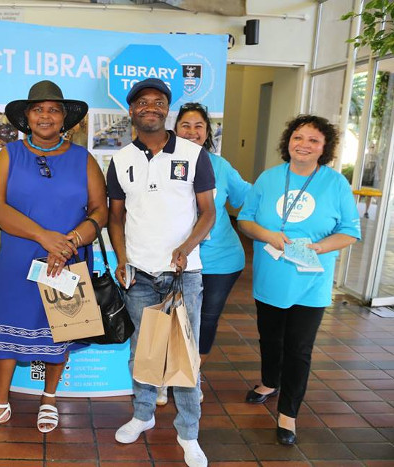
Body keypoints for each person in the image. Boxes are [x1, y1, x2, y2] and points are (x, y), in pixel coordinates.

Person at [0, 80, 107, 436]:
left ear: (64, 118)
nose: (46, 115)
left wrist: (69, 241)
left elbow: (100, 211)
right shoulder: (10, 154)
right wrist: (45, 238)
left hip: (68, 261)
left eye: (53, 110)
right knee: (5, 332)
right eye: (38, 109)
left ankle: (49, 398)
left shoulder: (83, 158)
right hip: (18, 259)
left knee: (63, 328)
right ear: (27, 116)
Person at [107, 78, 215, 467]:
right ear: (132, 110)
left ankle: (189, 433)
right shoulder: (121, 160)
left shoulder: (193, 153)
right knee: (144, 350)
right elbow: (115, 217)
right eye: (142, 102)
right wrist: (121, 259)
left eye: (158, 101)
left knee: (185, 355)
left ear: (166, 109)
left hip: (183, 275)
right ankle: (143, 414)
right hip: (139, 274)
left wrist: (185, 250)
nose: (150, 107)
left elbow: (209, 213)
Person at [238, 115, 360, 445]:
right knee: (269, 336)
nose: (304, 144)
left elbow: (350, 231)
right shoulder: (269, 178)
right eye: (298, 137)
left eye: (313, 140)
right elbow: (246, 220)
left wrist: (319, 247)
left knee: (299, 348)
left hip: (312, 279)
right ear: (288, 141)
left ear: (325, 148)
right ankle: (268, 381)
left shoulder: (335, 184)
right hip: (272, 274)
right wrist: (268, 235)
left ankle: (288, 414)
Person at [154, 103, 250, 406]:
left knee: (204, 321)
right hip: (175, 260)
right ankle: (164, 375)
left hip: (220, 260)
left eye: (199, 126)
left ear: (207, 132)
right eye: (186, 125)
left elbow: (249, 198)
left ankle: (191, 375)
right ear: (175, 128)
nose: (192, 131)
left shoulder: (221, 167)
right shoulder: (159, 162)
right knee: (169, 317)